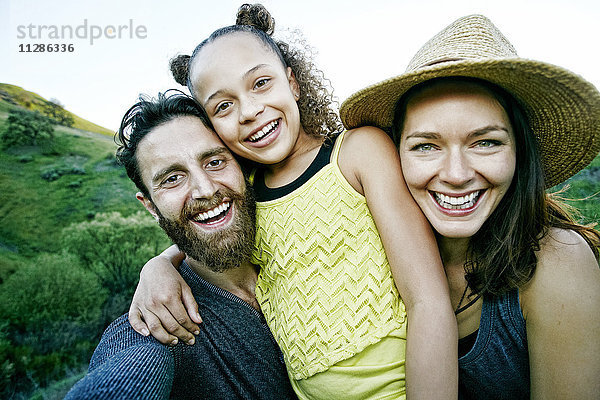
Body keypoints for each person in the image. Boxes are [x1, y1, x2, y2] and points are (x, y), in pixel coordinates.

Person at [128, 4, 457, 400]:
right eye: (223, 106)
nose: (250, 111)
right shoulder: (243, 191)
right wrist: (159, 265)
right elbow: (199, 228)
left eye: (261, 83)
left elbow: (429, 301)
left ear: (293, 83)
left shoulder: (356, 153)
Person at [340, 14, 600, 399]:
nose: (457, 174)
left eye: (486, 142)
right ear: (394, 156)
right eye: (426, 146)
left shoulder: (556, 261)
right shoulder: (367, 248)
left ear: (519, 151)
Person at [65, 91, 297, 400]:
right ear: (150, 206)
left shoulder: (315, 246)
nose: (204, 189)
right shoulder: (157, 323)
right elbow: (127, 371)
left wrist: (161, 260)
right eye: (172, 178)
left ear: (243, 166)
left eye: (215, 161)